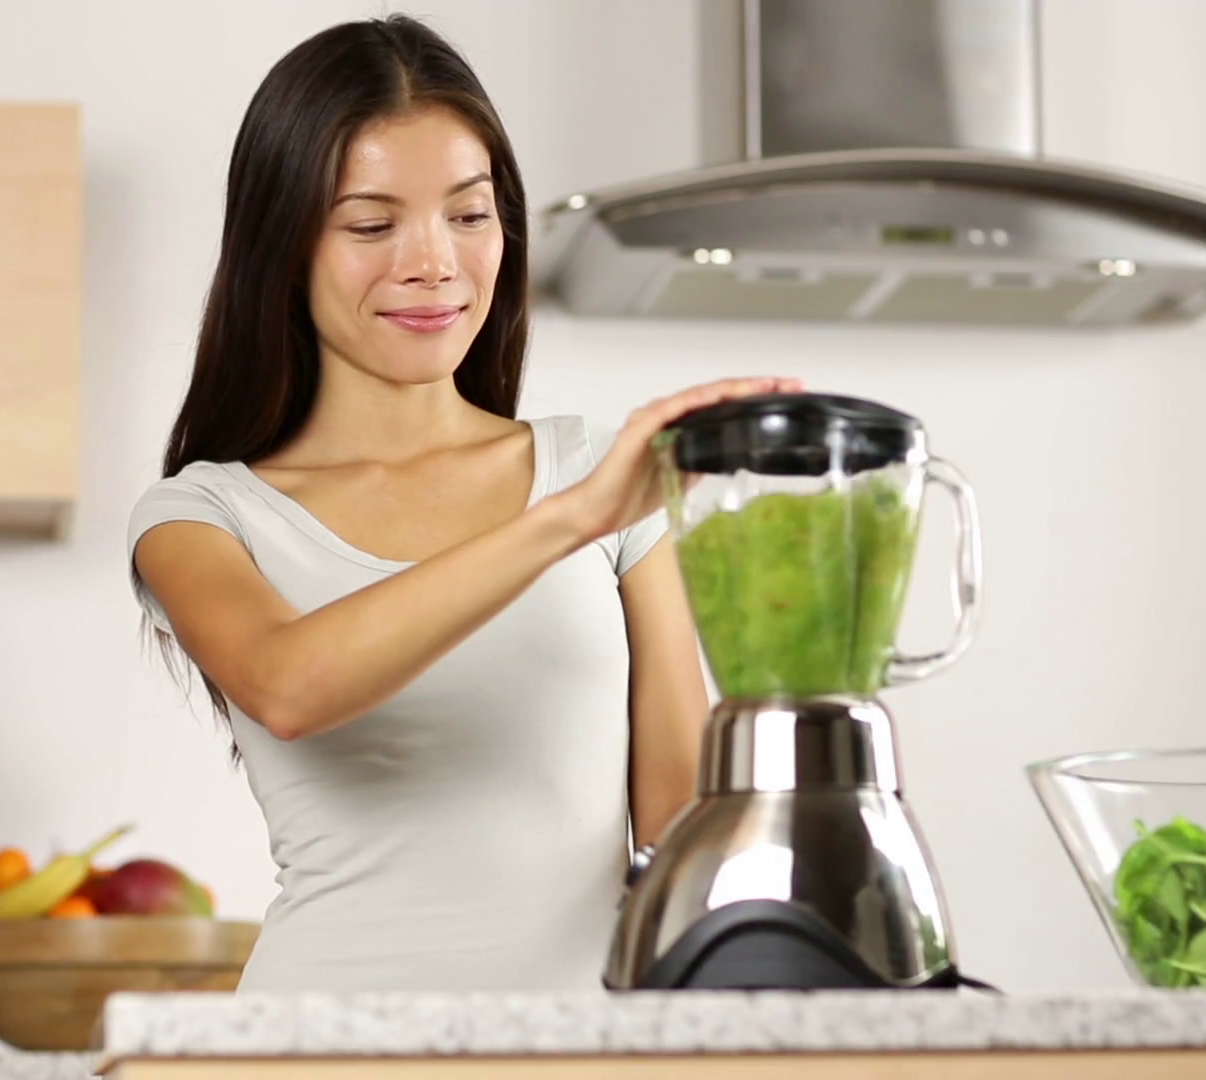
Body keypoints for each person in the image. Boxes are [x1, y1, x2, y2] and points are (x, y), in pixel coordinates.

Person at [125, 14, 800, 993]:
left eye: (470, 214)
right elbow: (289, 686)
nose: (433, 261)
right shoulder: (203, 516)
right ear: (283, 245)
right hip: (317, 1049)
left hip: (577, 1053)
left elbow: (681, 823)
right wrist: (567, 520)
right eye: (370, 224)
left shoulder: (599, 471)